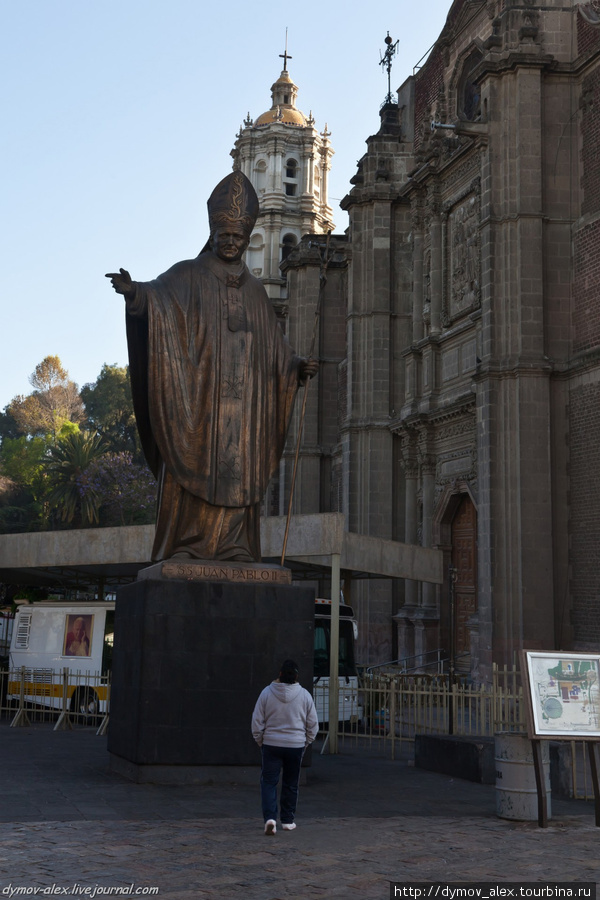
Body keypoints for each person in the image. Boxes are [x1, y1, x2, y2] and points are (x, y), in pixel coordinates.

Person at [106, 171, 317, 563]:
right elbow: (159, 298)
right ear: (214, 235)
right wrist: (135, 293)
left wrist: (294, 367)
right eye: (226, 237)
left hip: (243, 414)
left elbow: (275, 347)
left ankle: (235, 547)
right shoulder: (188, 274)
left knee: (240, 472)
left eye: (238, 238)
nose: (232, 244)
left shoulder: (256, 292)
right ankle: (186, 546)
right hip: (199, 403)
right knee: (190, 465)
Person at [251, 659, 319, 835]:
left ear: (279, 674)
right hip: (295, 745)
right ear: (296, 676)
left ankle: (270, 819)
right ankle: (288, 821)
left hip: (271, 744)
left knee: (268, 782)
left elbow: (257, 722)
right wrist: (305, 742)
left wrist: (261, 741)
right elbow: (313, 725)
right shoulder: (304, 695)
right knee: (291, 783)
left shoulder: (266, 693)